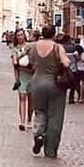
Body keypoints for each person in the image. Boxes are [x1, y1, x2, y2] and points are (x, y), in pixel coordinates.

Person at [29, 24, 71, 159]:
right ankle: (50, 149)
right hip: (55, 85)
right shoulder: (57, 47)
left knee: (39, 111)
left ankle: (38, 133)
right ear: (53, 34)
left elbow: (28, 62)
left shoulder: (33, 46)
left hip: (37, 83)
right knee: (55, 117)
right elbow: (66, 63)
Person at [11, 29, 34, 131]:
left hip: (32, 75)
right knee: (22, 97)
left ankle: (29, 120)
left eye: (21, 35)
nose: (20, 37)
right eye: (18, 35)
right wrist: (16, 78)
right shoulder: (15, 49)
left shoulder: (31, 46)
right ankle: (22, 122)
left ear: (24, 35)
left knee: (32, 99)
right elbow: (15, 63)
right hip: (22, 76)